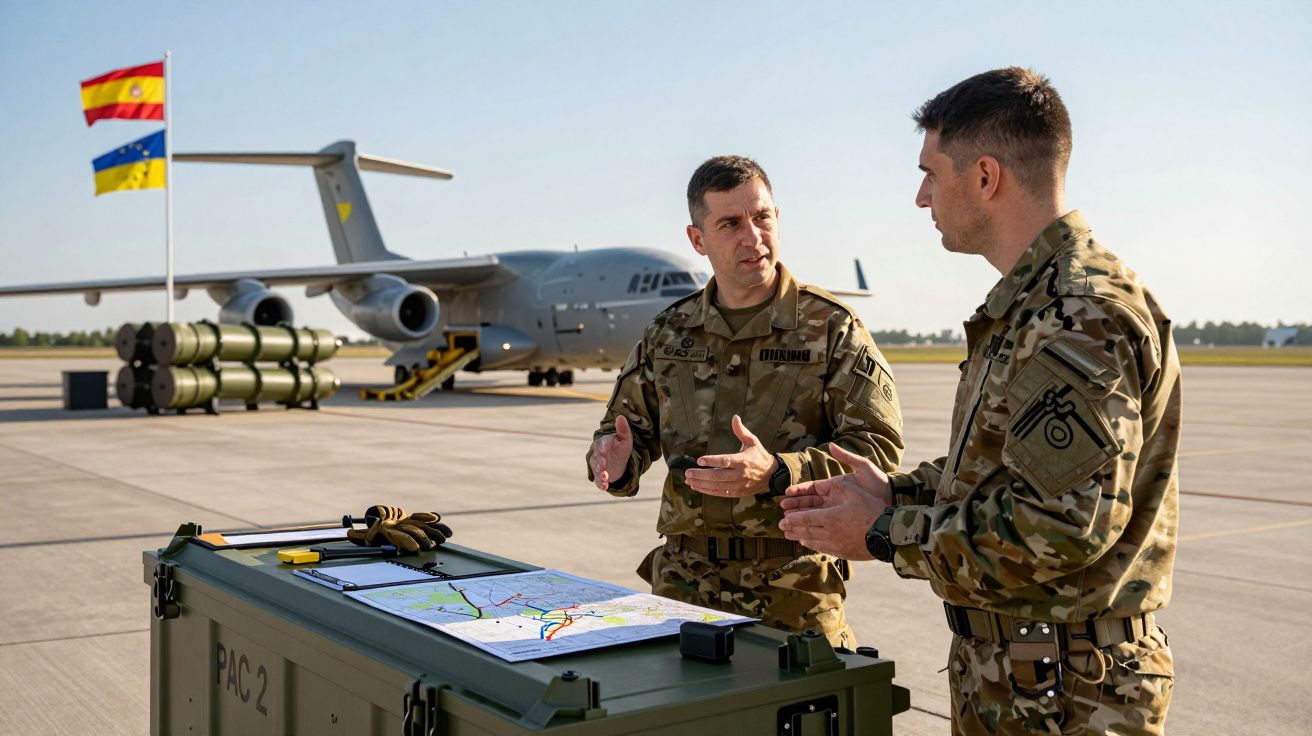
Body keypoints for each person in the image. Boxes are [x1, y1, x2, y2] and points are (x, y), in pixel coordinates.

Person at [779, 68, 1180, 735]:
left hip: (1068, 698)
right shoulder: (1032, 307)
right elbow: (1006, 471)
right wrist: (897, 494)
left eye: (932, 173)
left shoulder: (1076, 315)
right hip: (1025, 678)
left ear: (986, 178)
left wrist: (883, 533)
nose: (920, 196)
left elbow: (1062, 526)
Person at [587, 155, 904, 648]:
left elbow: (877, 451)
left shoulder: (831, 327)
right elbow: (624, 432)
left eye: (763, 218)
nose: (752, 237)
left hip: (793, 587)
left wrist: (779, 470)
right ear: (698, 240)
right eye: (731, 223)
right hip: (683, 588)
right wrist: (613, 455)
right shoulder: (668, 333)